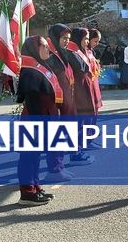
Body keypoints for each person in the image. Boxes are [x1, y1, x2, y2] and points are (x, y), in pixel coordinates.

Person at [16, 36, 60, 205]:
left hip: (43, 116)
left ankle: (36, 187)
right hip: (34, 118)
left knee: (35, 156)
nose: (48, 49)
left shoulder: (40, 67)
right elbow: (28, 98)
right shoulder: (29, 71)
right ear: (34, 48)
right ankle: (27, 193)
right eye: (44, 46)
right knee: (28, 156)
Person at [44, 24, 76, 182]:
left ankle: (59, 168)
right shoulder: (49, 56)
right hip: (55, 105)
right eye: (64, 38)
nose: (66, 42)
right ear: (55, 38)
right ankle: (54, 170)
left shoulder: (60, 54)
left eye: (68, 39)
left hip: (64, 104)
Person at [66, 28, 95, 165]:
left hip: (83, 89)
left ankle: (78, 150)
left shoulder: (78, 51)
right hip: (77, 91)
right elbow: (80, 69)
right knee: (76, 123)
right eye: (85, 39)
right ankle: (74, 153)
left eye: (88, 39)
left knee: (82, 122)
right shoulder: (71, 53)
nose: (87, 42)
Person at [88, 29, 103, 112]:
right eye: (95, 41)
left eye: (98, 41)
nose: (97, 44)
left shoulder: (91, 51)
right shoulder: (84, 52)